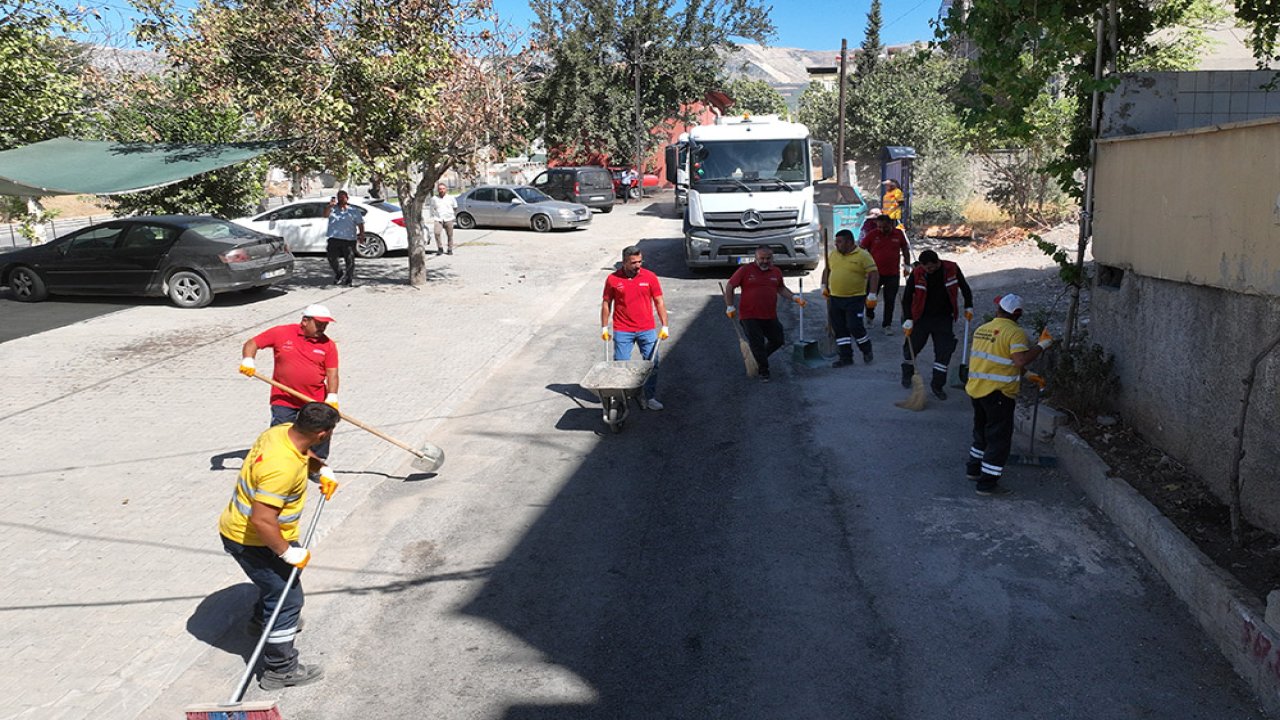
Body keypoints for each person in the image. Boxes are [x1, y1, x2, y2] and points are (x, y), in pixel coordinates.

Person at [219, 401, 340, 690]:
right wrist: (286, 552)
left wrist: (318, 470)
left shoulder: (280, 432)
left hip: (256, 532)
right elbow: (262, 520)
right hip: (254, 540)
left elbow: (301, 452)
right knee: (287, 600)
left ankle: (262, 621)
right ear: (322, 434)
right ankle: (280, 669)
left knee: (279, 585)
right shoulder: (280, 469)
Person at [963, 293, 1053, 496]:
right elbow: (1019, 360)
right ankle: (987, 483)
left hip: (977, 389)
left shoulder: (982, 329)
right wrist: (1041, 346)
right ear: (1018, 314)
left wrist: (1028, 375)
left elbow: (1002, 359)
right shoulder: (1015, 333)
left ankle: (974, 469)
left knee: (981, 433)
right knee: (999, 439)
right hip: (999, 394)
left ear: (998, 309)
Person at [239, 304, 340, 462]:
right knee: (281, 432)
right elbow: (252, 343)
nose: (322, 328)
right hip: (283, 397)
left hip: (314, 399)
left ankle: (316, 464)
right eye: (319, 324)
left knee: (320, 431)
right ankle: (279, 461)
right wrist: (248, 360)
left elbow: (332, 373)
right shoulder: (281, 333)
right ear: (305, 321)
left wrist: (332, 396)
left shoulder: (328, 345)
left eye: (325, 325)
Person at [723, 245, 807, 382]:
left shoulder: (776, 272)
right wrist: (730, 306)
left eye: (768, 258)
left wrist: (795, 297)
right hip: (749, 315)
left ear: (772, 258)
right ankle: (763, 371)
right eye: (761, 258)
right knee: (758, 343)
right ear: (756, 258)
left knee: (778, 340)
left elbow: (781, 288)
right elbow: (730, 286)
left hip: (769, 314)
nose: (765, 261)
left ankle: (757, 358)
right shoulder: (745, 270)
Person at [601, 245, 669, 409]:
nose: (638, 265)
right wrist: (604, 327)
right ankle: (621, 398)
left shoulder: (650, 277)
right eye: (633, 263)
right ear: (624, 262)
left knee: (652, 364)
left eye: (640, 261)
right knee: (621, 365)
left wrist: (665, 325)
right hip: (623, 329)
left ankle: (649, 396)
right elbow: (606, 303)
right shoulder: (613, 279)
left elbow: (659, 302)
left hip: (647, 329)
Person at [901, 249, 974, 400]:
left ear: (937, 262)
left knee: (943, 352)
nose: (930, 270)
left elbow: (965, 288)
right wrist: (908, 318)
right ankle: (907, 375)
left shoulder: (951, 268)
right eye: (926, 268)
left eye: (932, 267)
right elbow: (907, 297)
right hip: (921, 318)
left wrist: (969, 306)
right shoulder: (917, 273)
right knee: (911, 349)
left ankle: (937, 385)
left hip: (944, 318)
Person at [822, 228, 879, 367]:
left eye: (840, 242)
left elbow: (874, 273)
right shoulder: (834, 254)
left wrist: (872, 294)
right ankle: (846, 357)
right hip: (835, 298)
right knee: (840, 328)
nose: (836, 245)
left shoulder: (863, 255)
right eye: (836, 242)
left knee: (855, 326)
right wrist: (824, 285)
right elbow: (827, 269)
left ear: (849, 242)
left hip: (855, 298)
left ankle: (866, 349)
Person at [861, 213, 913, 334]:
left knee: (890, 300)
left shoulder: (898, 234)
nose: (881, 229)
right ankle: (869, 316)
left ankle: (887, 325)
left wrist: (907, 265)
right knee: (870, 297)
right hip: (874, 274)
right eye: (879, 227)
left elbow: (905, 249)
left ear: (891, 224)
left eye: (884, 227)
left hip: (893, 274)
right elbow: (862, 249)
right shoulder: (872, 234)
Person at [322, 190, 364, 286]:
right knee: (331, 258)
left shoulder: (353, 210)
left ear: (347, 198)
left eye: (343, 197)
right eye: (339, 197)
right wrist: (330, 206)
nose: (341, 199)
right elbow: (325, 215)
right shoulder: (332, 209)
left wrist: (362, 235)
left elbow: (360, 224)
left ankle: (349, 278)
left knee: (349, 259)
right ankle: (339, 273)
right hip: (334, 238)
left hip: (349, 239)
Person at [427, 182, 457, 255]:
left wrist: (451, 214)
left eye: (443, 189)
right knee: (436, 233)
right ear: (438, 190)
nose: (442, 190)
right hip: (438, 219)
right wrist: (433, 216)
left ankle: (450, 249)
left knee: (450, 235)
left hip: (448, 218)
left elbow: (455, 207)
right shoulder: (434, 199)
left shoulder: (451, 198)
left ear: (446, 189)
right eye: (440, 189)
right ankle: (440, 248)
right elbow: (432, 208)